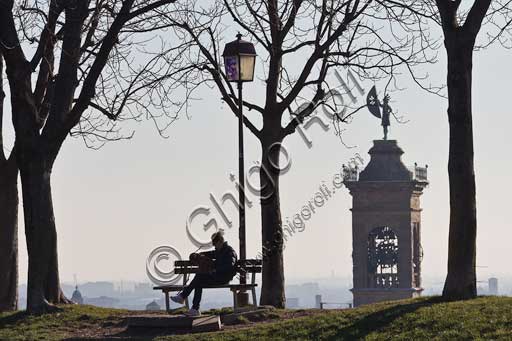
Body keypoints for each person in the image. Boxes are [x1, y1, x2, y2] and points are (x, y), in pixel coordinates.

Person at [171, 230, 238, 316]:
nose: (214, 246)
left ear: (220, 241)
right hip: (217, 277)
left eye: (215, 244)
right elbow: (211, 253)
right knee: (199, 282)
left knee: (199, 277)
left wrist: (216, 270)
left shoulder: (229, 252)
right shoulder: (220, 251)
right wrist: (199, 254)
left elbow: (229, 266)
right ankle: (194, 308)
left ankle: (183, 297)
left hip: (223, 278)